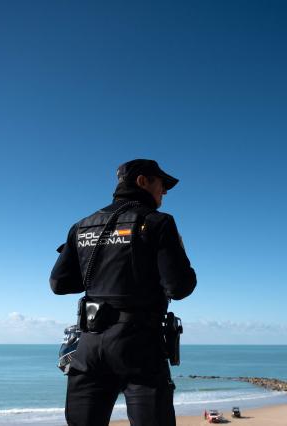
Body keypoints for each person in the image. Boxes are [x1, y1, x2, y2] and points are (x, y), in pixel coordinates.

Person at [50, 159, 197, 426]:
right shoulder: (158, 222)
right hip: (139, 346)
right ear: (142, 181)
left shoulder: (83, 225)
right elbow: (180, 287)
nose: (164, 192)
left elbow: (59, 284)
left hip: (89, 346)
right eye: (162, 184)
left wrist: (104, 273)